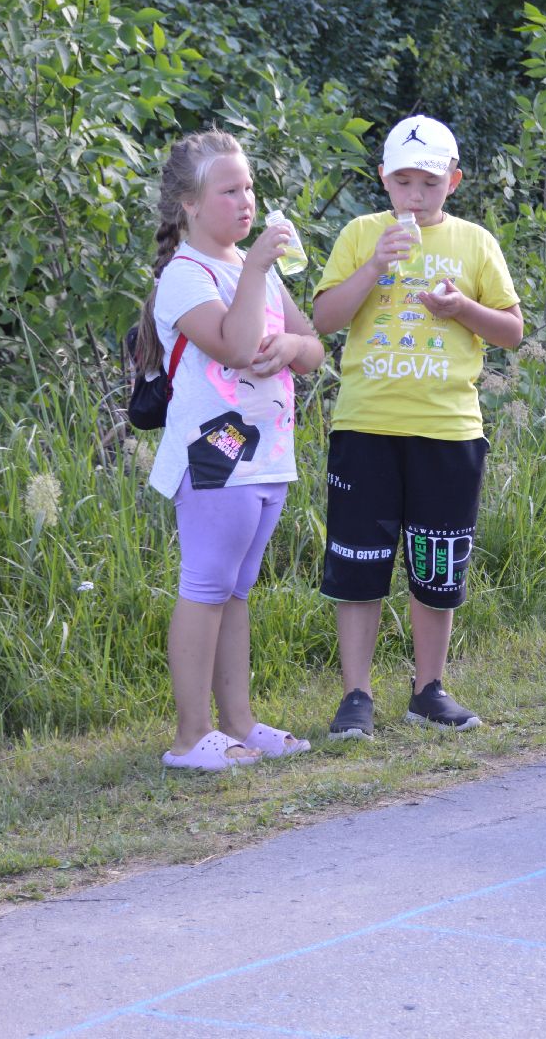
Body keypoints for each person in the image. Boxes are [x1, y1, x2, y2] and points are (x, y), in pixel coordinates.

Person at [311, 116, 522, 739]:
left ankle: (428, 688)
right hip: (366, 425)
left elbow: (511, 331)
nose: (415, 195)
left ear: (452, 182)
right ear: (383, 180)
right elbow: (323, 317)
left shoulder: (475, 242)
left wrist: (462, 308)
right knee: (360, 563)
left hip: (448, 428)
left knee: (437, 561)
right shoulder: (360, 234)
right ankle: (356, 695)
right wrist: (373, 266)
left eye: (428, 181)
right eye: (402, 181)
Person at [137, 129, 325, 771]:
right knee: (206, 587)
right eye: (229, 190)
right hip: (215, 457)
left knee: (236, 592)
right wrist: (257, 271)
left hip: (269, 455)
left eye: (249, 187)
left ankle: (238, 722)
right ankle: (191, 738)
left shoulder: (253, 271)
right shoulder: (186, 278)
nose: (246, 201)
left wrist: (295, 350)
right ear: (189, 204)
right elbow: (237, 346)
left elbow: (313, 346)